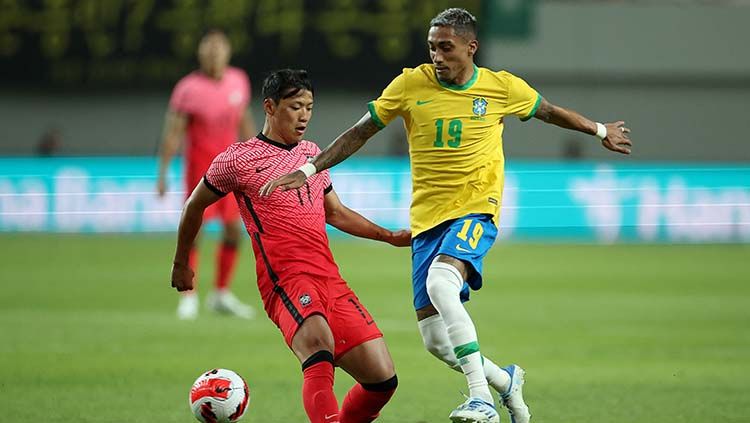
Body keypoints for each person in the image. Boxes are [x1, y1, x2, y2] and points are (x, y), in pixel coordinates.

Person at [260, 8, 632, 423]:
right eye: (432, 47)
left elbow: (549, 111)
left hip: (475, 210)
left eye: (446, 47)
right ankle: (505, 381)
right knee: (436, 340)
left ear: (471, 47)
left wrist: (599, 130)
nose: (437, 56)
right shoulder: (409, 84)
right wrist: (311, 169)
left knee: (442, 283)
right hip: (427, 224)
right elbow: (359, 131)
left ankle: (481, 399)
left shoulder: (499, 87)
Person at [171, 69, 410, 423]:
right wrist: (181, 263)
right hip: (285, 280)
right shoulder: (238, 159)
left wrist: (388, 236)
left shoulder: (313, 156)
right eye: (295, 106)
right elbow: (194, 205)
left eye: (309, 107)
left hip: (329, 279)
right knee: (318, 345)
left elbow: (336, 213)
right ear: (270, 106)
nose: (304, 116)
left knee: (382, 379)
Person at [158, 29, 257, 320]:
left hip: (233, 171)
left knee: (233, 231)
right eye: (209, 48)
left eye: (219, 48)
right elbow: (173, 133)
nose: (214, 54)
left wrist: (259, 158)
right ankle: (188, 295)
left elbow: (244, 122)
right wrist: (162, 173)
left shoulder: (238, 81)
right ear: (201, 53)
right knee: (194, 231)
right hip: (200, 171)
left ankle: (221, 293)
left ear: (227, 53)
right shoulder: (188, 88)